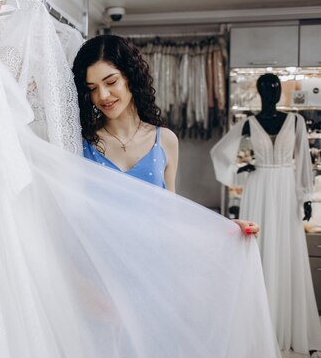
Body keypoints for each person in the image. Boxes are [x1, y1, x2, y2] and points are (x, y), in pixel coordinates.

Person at [73, 34, 258, 237]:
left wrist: (225, 228)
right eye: (92, 89)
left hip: (152, 257)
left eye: (111, 82)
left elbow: (170, 215)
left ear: (130, 77)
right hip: (98, 261)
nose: (103, 96)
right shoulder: (81, 142)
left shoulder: (165, 140)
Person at [211, 73, 321, 355]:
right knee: (258, 250)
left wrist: (305, 196)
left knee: (286, 250)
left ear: (278, 91)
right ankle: (258, 326)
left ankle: (286, 324)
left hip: (286, 190)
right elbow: (220, 152)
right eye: (265, 88)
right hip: (258, 189)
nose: (270, 92)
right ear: (259, 92)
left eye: (274, 87)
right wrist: (239, 170)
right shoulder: (248, 123)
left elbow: (304, 163)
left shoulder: (295, 121)